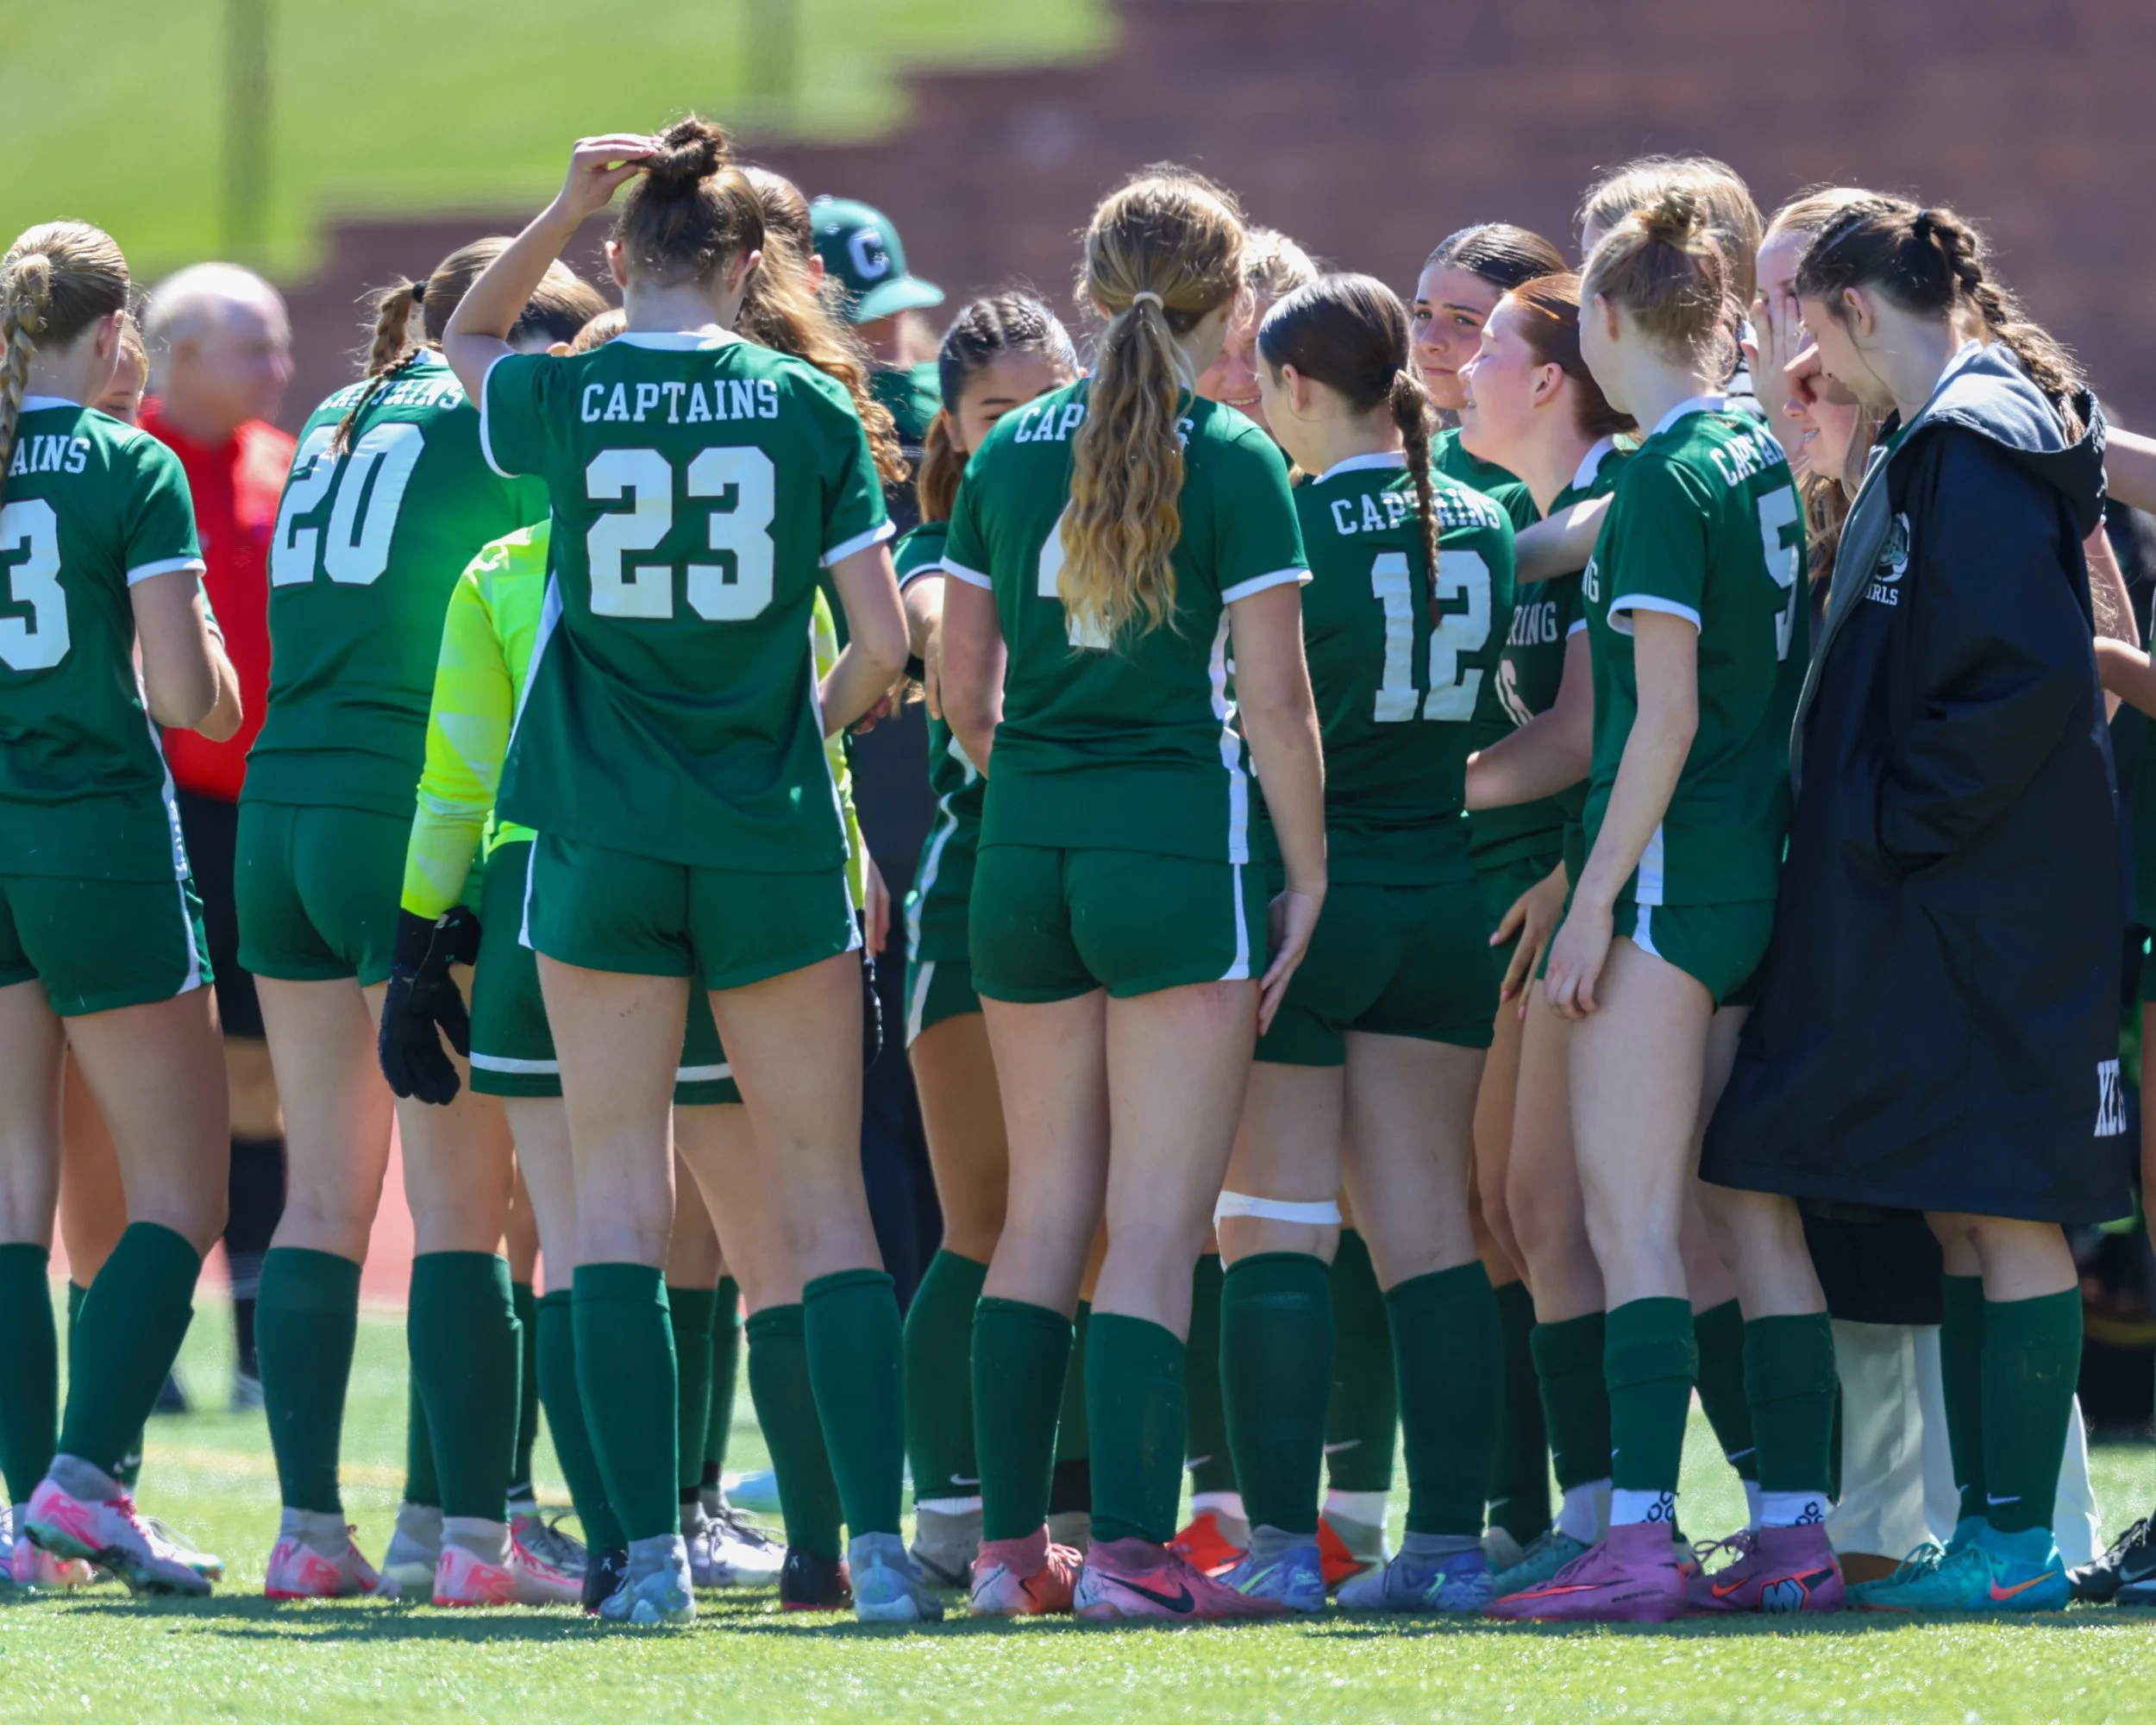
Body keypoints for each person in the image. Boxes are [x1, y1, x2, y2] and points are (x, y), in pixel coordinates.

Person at [442, 117, 918, 1627]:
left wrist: (556, 196)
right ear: (749, 261)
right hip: (770, 834)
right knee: (822, 1206)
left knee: (611, 1216)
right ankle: (884, 1558)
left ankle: (642, 1564)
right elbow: (887, 649)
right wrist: (805, 734)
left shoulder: (572, 395)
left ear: (618, 252)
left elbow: (462, 332)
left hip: (599, 838)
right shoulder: (805, 402)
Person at [1705, 197, 2122, 1614]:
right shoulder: (1946, 437)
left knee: (2007, 1212)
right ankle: (1982, 1527)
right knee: (1960, 1208)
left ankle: (2018, 1544)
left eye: (1813, 333)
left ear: (1858, 312)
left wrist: (1881, 825)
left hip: (1986, 898)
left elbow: (2017, 691)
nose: (1815, 370)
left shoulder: (1978, 441)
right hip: (1949, 897)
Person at [937, 166, 1327, 1621]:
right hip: (1177, 857)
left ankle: (1001, 1556)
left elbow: (962, 690)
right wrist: (1315, 869)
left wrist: (1034, 779)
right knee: (1157, 1229)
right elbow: (1278, 711)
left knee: (1044, 1216)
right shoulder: (1236, 455)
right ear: (1232, 302)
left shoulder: (1004, 452)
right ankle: (1132, 1559)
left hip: (1024, 855)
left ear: (1092, 294)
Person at [245, 239, 604, 1603]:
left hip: (281, 809)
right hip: (401, 818)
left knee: (323, 1201)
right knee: (465, 1210)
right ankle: (464, 1539)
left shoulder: (342, 409)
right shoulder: (489, 404)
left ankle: (315, 1533)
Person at [1491, 188, 1815, 1623]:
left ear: (1606, 324)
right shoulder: (1749, 448)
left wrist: (1588, 903)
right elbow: (1602, 538)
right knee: (1749, 1225)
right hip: (1762, 877)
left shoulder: (1670, 480)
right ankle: (1798, 1531)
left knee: (1631, 1221)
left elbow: (1660, 723)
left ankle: (1638, 1537)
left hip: (1673, 883)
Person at [1208, 272, 1515, 1615]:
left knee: (1271, 1226)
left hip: (1307, 894)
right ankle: (1446, 1544)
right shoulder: (1487, 514)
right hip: (1444, 892)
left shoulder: (1285, 518)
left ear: (1290, 389)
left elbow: (1257, 721)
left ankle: (1281, 1547)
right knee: (1427, 1234)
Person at [0, 220, 243, 1596]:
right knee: (183, 1191)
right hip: (97, 836)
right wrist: (209, 648)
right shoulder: (128, 462)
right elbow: (183, 697)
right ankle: (83, 1487)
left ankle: (27, 1511)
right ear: (112, 338)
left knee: (16, 1198)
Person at [891, 292, 1086, 1589]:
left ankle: (1065, 1514)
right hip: (977, 899)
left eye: (1048, 406)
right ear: (954, 435)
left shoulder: (1126, 521)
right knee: (991, 1217)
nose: (1026, 434)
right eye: (995, 414)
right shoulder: (934, 550)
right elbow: (953, 671)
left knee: (1092, 1223)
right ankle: (949, 1514)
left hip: (1100, 900)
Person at [1455, 272, 1635, 1593]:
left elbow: (1581, 737)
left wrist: (1395, 776)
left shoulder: (1618, 495)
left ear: (1551, 379)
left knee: (1564, 1212)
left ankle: (1626, 1514)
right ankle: (1552, 1517)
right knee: (1505, 1213)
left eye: (1480, 342)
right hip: (1520, 887)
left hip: (1583, 891)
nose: (1450, 366)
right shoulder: (1527, 517)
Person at [137, 262, 298, 1412]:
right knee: (128, 1088)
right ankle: (129, 1348)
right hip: (151, 806)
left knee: (260, 1081)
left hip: (263, 810)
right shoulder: (122, 466)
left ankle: (255, 1347)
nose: (280, 369)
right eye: (257, 348)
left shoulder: (283, 468)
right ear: (178, 355)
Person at [1411, 224, 1567, 530]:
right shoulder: (1415, 465)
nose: (1430, 340)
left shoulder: (1599, 469)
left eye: (1463, 320)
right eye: (1423, 314)